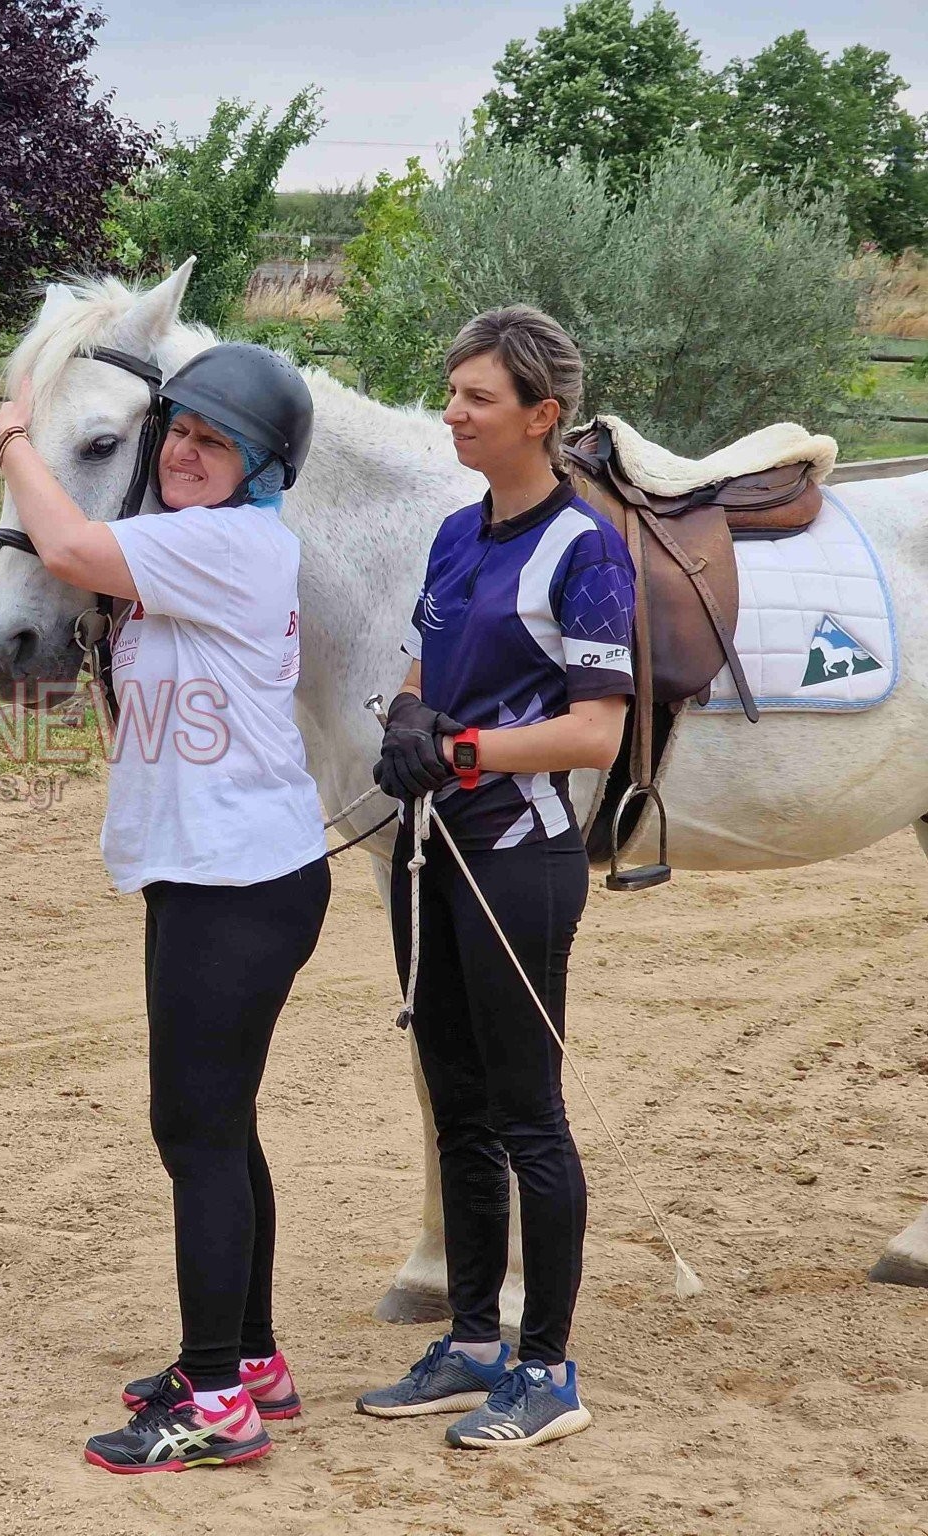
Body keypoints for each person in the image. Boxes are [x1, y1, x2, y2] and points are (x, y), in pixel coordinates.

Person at [0, 344, 329, 1473]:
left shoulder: (222, 543)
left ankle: (213, 1397)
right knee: (218, 1127)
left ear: (263, 465)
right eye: (177, 429)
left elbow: (71, 544)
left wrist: (12, 444)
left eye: (214, 440)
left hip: (236, 882)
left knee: (191, 1133)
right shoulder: (203, 542)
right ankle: (253, 1358)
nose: (185, 451)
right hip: (218, 873)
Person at [358, 305, 635, 1448]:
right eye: (451, 392)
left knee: (526, 1117)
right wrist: (411, 717)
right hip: (434, 853)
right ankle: (474, 1345)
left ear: (541, 416)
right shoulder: (453, 532)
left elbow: (591, 735)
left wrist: (462, 750)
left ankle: (548, 1370)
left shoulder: (587, 550)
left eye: (475, 398)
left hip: (520, 861)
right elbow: (431, 656)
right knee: (455, 1106)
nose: (451, 413)